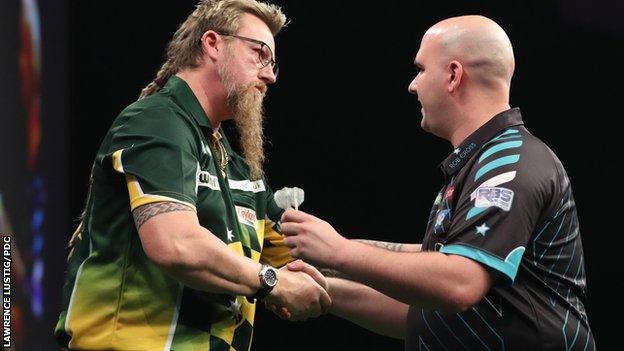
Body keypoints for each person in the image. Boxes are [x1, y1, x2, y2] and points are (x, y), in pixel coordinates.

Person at [280, 15, 596, 350]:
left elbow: (460, 283)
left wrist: (337, 251)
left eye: (421, 69)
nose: (412, 85)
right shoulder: (478, 164)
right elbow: (421, 312)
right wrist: (310, 283)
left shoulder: (510, 162)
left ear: (453, 75)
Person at [54, 1, 331, 350]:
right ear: (212, 43)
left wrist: (415, 277)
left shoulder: (233, 162)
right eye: (259, 54)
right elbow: (175, 244)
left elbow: (310, 264)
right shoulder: (157, 121)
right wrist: (271, 281)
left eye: (272, 62)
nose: (271, 75)